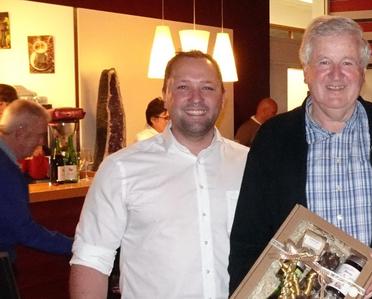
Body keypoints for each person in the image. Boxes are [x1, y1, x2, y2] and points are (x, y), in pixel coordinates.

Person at [228, 16, 372, 298]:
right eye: (324, 62)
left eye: (347, 62)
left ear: (362, 71)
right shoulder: (273, 138)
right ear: (306, 71)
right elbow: (247, 237)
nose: (336, 75)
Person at [69, 51, 249, 298]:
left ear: (223, 98)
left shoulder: (250, 164)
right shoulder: (121, 169)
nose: (196, 98)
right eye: (183, 86)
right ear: (165, 95)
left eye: (207, 87)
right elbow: (91, 259)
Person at [0, 99, 73, 261]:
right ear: (20, 132)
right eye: (39, 135)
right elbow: (23, 231)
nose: (41, 142)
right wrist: (75, 247)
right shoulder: (5, 170)